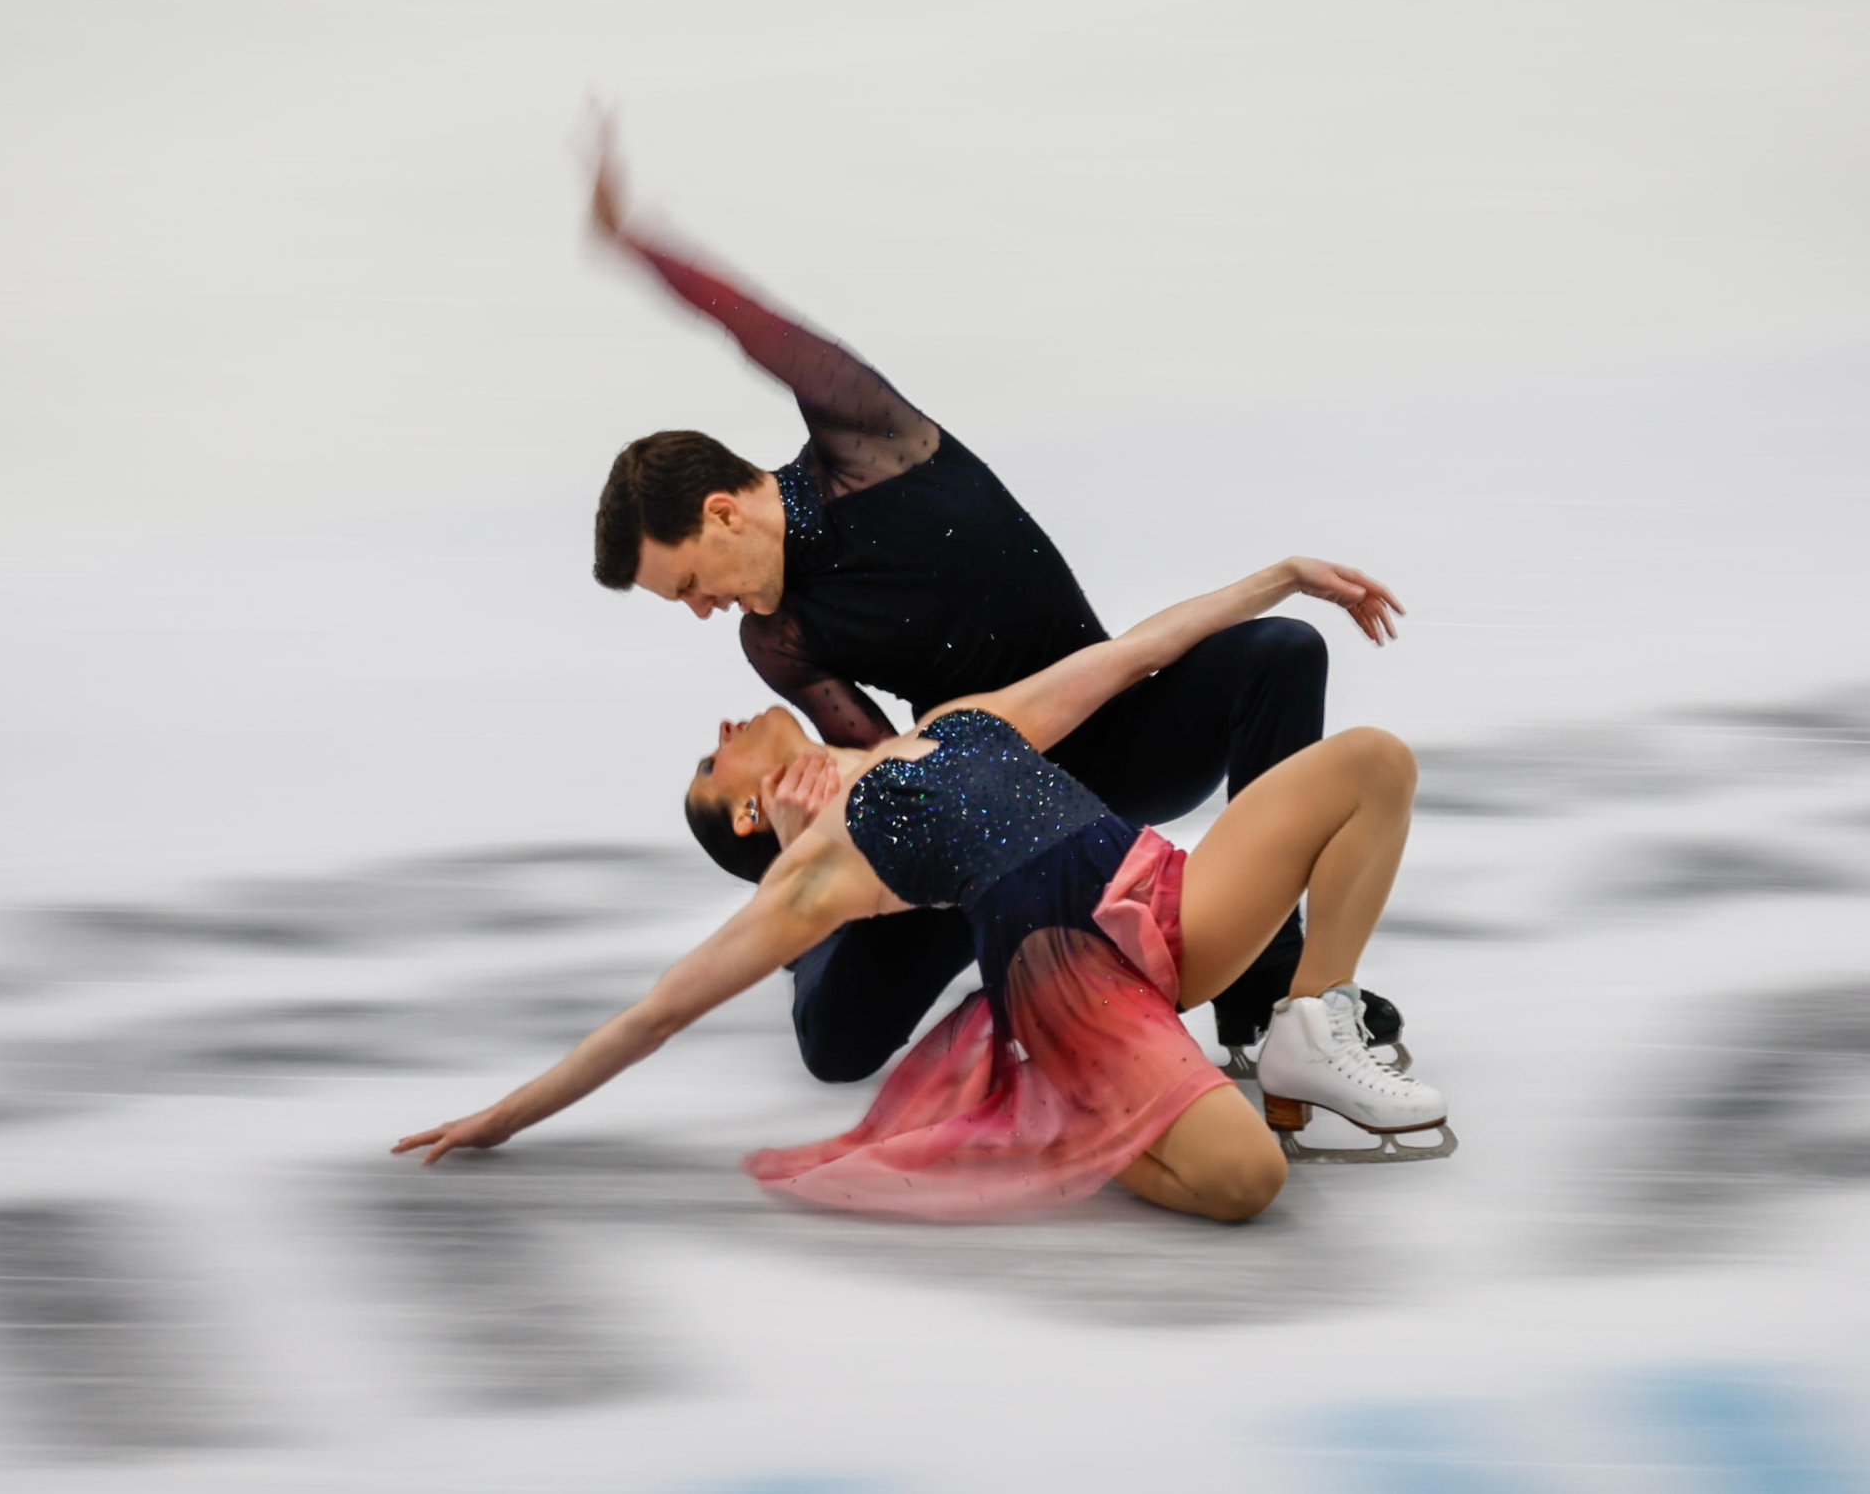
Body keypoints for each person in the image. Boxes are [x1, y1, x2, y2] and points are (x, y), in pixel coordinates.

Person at [582, 123, 1403, 1082]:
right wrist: (819, 829)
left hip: (1116, 735)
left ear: (722, 513)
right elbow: (882, 771)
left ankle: (1266, 1005)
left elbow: (758, 327)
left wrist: (638, 244)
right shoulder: (779, 636)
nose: (699, 610)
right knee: (837, 1042)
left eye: (686, 583)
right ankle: (856, 956)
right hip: (997, 815)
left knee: (1280, 653)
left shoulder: (867, 443)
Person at [394, 558, 1452, 1220]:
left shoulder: (945, 726)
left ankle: (1309, 1024)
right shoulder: (818, 871)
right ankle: (1066, 1100)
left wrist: (1281, 578)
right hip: (1075, 989)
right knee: (1246, 1186)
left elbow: (1135, 654)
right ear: (753, 817)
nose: (720, 733)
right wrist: (503, 1117)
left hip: (1167, 895)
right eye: (710, 766)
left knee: (1371, 762)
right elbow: (659, 1011)